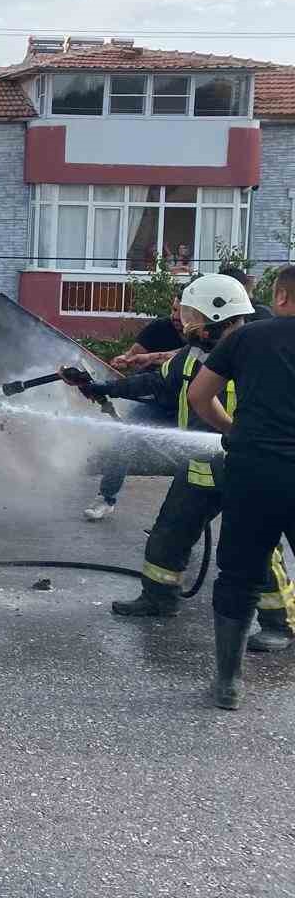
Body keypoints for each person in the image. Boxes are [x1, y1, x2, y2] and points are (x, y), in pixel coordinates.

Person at [60, 275, 295, 652]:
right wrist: (101, 387)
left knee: (261, 553)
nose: (184, 322)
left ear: (217, 315)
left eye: (191, 315)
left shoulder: (256, 351)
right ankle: (158, 597)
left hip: (247, 470)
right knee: (168, 534)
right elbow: (154, 384)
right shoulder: (190, 359)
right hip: (199, 466)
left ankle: (278, 623)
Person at [188, 264, 295, 709]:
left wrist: (233, 429)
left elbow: (199, 396)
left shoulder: (247, 338)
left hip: (254, 471)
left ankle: (228, 685)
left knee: (239, 576)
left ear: (284, 298)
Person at [84, 296, 187, 521]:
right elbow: (132, 356)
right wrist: (125, 359)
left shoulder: (205, 337)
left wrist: (150, 358)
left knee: (193, 461)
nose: (175, 316)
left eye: (182, 311)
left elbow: (184, 356)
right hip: (158, 402)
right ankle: (106, 497)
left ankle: (178, 518)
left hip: (194, 407)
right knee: (124, 436)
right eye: (173, 309)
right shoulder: (160, 328)